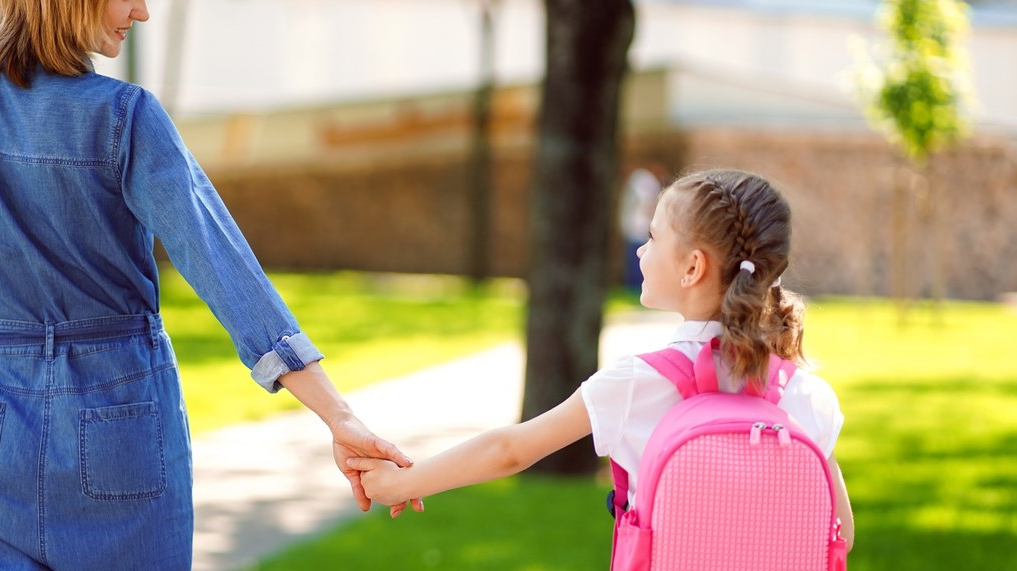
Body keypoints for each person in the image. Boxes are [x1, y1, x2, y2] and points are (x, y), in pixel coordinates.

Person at [0, 0, 414, 571]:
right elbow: (221, 265)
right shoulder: (123, 116)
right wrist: (338, 417)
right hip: (118, 423)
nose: (140, 12)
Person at [351, 169, 855, 548]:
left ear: (692, 267)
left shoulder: (640, 383)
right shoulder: (805, 394)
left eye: (652, 237)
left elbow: (510, 450)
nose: (639, 250)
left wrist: (401, 482)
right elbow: (841, 534)